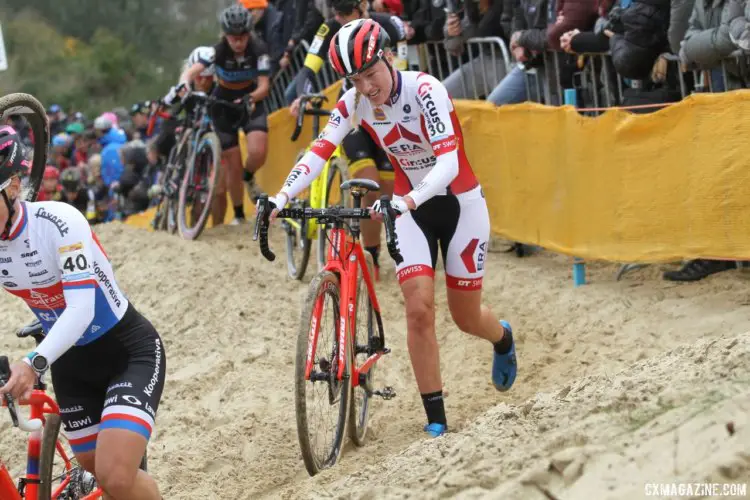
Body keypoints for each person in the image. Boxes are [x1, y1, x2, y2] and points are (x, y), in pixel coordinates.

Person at [266, 19, 517, 438]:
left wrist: (408, 199)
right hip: (409, 209)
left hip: (460, 204)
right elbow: (320, 151)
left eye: (369, 73)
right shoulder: (353, 103)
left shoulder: (425, 89)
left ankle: (502, 338)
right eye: (354, 79)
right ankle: (436, 417)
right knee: (419, 310)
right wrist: (281, 197)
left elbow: (449, 163)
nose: (365, 86)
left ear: (387, 57)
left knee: (466, 317)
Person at [0, 126, 166, 499]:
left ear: (13, 186)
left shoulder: (59, 221)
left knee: (116, 476)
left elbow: (80, 308)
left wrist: (32, 363)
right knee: (98, 472)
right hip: (72, 365)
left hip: (126, 351)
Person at [289, 0, 409, 277]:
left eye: (346, 13)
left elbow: (401, 67)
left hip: (387, 116)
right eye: (337, 13)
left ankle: (376, 252)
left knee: (387, 194)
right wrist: (301, 95)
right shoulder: (328, 28)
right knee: (368, 186)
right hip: (357, 116)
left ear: (362, 7)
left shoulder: (386, 26)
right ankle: (373, 258)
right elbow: (308, 70)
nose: (341, 19)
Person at [181, 4, 271, 226]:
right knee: (233, 162)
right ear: (225, 35)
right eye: (233, 38)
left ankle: (249, 176)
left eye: (242, 37)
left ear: (249, 33)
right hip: (223, 106)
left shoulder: (259, 50)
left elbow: (264, 86)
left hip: (250, 101)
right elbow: (190, 71)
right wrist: (184, 84)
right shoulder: (217, 51)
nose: (238, 43)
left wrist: (251, 98)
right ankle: (239, 213)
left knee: (258, 152)